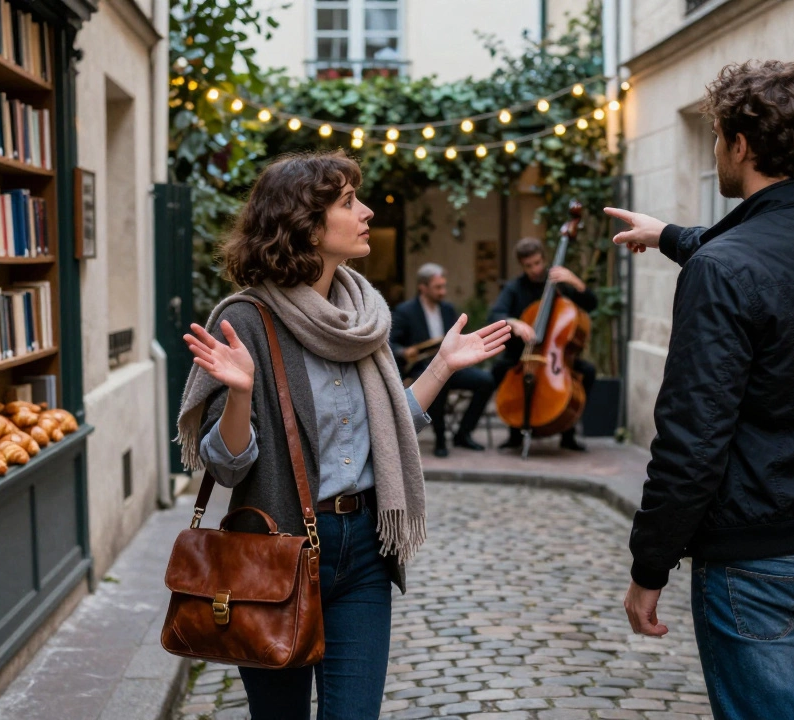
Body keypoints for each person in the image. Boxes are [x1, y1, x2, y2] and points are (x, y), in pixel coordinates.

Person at [175, 149, 510, 719]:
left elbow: (384, 428)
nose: (368, 212)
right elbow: (226, 467)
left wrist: (443, 366)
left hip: (364, 550)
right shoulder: (248, 320)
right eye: (349, 202)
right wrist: (238, 393)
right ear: (305, 223)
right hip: (277, 554)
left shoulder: (361, 317)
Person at [610, 61, 794, 720]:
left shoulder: (724, 269)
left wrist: (649, 569)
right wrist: (671, 236)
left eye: (716, 137)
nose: (716, 150)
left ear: (740, 145)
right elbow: (777, 257)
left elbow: (690, 442)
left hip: (756, 558)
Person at [488, 236, 596, 452]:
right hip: (523, 354)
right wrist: (515, 323)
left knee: (588, 372)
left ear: (544, 259)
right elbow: (495, 315)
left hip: (557, 356)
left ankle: (568, 432)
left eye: (537, 263)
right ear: (522, 265)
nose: (535, 269)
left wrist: (576, 283)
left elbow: (591, 305)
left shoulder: (561, 283)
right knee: (500, 369)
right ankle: (515, 432)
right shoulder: (515, 288)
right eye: (529, 265)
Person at [390, 263, 495, 457]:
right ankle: (440, 438)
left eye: (443, 286)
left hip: (452, 365)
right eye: (438, 287)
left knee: (486, 381)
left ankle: (463, 433)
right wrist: (404, 351)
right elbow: (391, 343)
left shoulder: (447, 309)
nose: (443, 291)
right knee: (440, 382)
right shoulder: (405, 311)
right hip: (422, 368)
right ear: (423, 287)